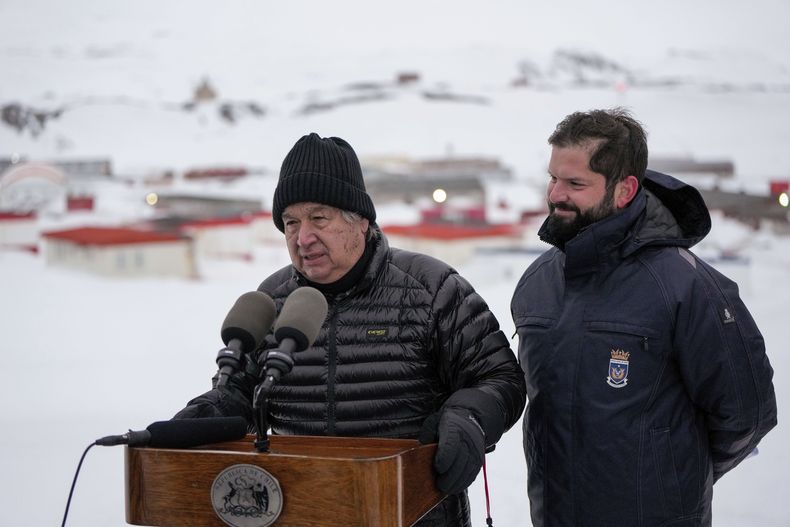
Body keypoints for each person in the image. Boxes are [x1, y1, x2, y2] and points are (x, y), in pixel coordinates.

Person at [176, 132, 527, 526]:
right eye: (290, 222)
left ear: (359, 220)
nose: (302, 237)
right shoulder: (270, 301)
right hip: (300, 512)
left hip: (412, 514)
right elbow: (241, 392)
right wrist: (211, 410)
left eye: (318, 218)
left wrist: (470, 418)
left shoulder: (432, 289)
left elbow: (500, 378)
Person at [510, 108, 777, 526]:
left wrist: (674, 477)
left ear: (624, 189)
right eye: (553, 178)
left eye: (576, 183)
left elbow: (746, 415)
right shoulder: (539, 282)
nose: (556, 195)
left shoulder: (684, 286)